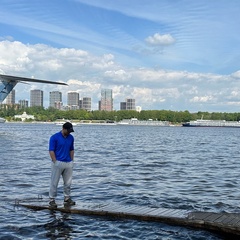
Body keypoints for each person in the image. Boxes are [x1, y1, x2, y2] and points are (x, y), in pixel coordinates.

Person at [48, 122, 75, 208]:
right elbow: (51, 150)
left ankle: (67, 198)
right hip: (58, 162)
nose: (69, 133)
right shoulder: (54, 137)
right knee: (54, 182)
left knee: (68, 182)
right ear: (63, 128)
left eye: (70, 131)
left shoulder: (71, 138)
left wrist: (71, 160)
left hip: (68, 162)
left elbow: (71, 149)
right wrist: (54, 161)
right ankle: (52, 200)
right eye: (68, 131)